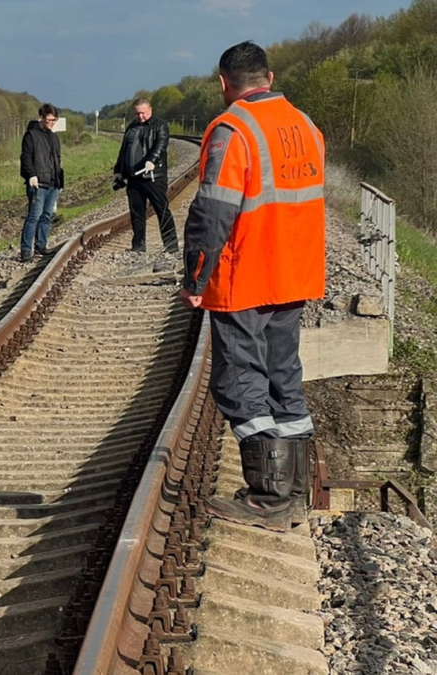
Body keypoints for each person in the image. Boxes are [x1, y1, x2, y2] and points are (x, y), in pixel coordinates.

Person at [178, 41, 326, 531]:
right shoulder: (306, 125)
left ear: (224, 83)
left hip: (248, 276)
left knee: (239, 382)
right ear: (270, 75)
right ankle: (297, 490)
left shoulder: (232, 130)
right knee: (284, 375)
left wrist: (196, 276)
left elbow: (213, 210)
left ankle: (268, 496)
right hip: (295, 273)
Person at [114, 99, 178, 253]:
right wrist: (118, 171)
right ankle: (138, 246)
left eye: (143, 112)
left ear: (150, 109)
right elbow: (124, 150)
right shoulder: (131, 127)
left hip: (153, 177)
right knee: (136, 213)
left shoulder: (160, 125)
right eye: (137, 113)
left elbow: (161, 145)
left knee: (162, 210)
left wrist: (152, 160)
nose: (140, 116)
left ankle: (171, 246)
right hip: (133, 178)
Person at [19, 103, 64, 261]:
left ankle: (41, 246)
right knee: (34, 216)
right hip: (38, 183)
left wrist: (60, 182)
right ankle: (25, 250)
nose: (52, 122)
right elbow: (26, 157)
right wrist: (31, 175)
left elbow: (57, 160)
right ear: (42, 118)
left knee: (46, 216)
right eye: (50, 119)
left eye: (54, 120)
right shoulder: (31, 136)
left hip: (53, 183)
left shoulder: (54, 137)